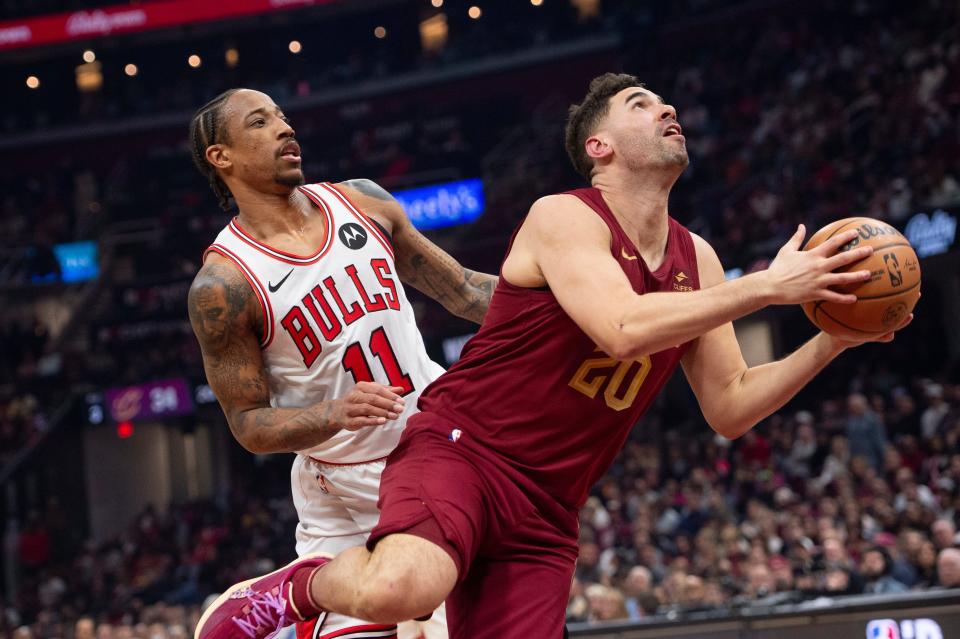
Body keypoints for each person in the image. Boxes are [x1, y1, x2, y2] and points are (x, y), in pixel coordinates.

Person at [195, 73, 912, 639]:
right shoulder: (563, 214)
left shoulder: (699, 259)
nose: (667, 110)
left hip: (546, 503)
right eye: (642, 104)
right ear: (599, 145)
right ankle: (283, 590)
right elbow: (624, 327)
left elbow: (729, 406)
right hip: (460, 449)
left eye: (667, 103)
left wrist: (832, 340)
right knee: (405, 587)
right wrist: (766, 287)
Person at [187, 88, 497, 639]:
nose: (285, 129)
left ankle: (295, 592)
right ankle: (295, 587)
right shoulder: (225, 284)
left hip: (429, 450)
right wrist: (335, 411)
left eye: (283, 117)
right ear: (221, 156)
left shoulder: (363, 202)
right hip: (336, 481)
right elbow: (248, 424)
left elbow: (466, 291)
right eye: (260, 122)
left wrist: (580, 308)